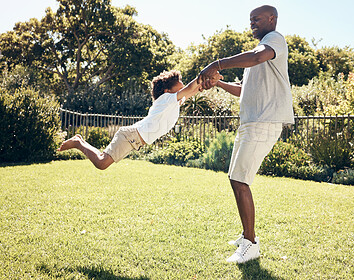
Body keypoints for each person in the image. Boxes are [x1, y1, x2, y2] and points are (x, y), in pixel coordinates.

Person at [199, 5, 294, 264]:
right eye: (250, 19)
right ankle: (246, 235)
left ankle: (251, 244)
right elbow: (243, 90)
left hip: (264, 121)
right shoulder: (257, 55)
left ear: (272, 19)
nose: (252, 23)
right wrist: (217, 82)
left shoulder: (273, 41)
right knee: (235, 177)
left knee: (241, 181)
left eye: (257, 19)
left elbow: (254, 57)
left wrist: (216, 65)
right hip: (250, 122)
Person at [58, 70, 222, 169]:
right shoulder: (165, 99)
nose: (183, 88)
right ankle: (78, 142)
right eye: (179, 86)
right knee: (101, 163)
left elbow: (195, 89)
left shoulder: (173, 102)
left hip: (133, 138)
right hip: (131, 136)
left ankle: (79, 141)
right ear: (167, 91)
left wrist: (212, 81)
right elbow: (192, 87)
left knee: (102, 161)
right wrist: (207, 72)